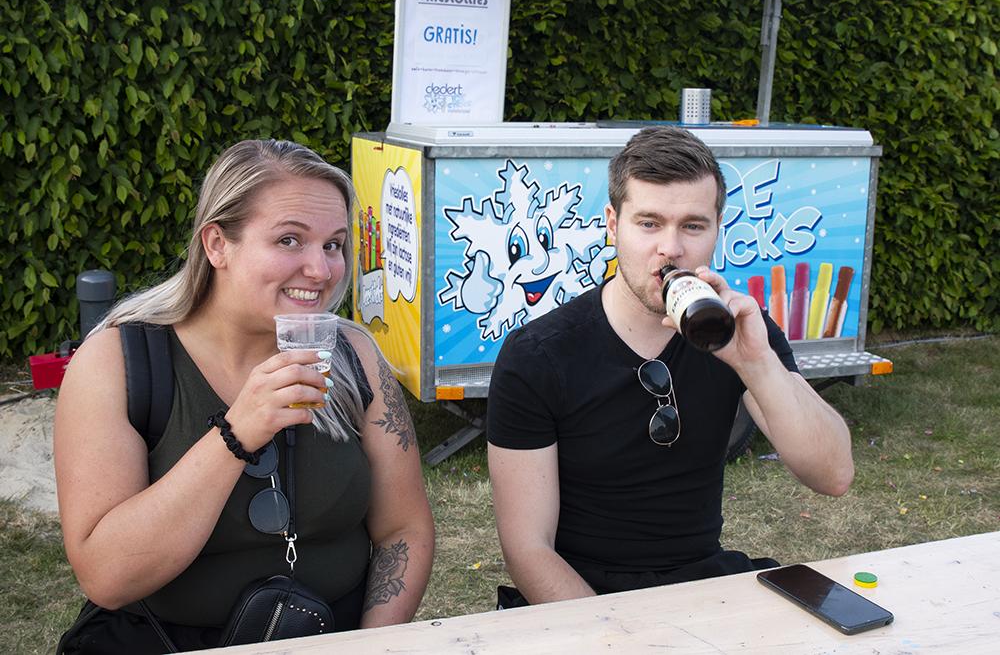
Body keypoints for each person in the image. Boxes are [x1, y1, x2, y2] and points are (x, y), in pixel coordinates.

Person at [54, 139, 434, 651]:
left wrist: (371, 645)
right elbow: (106, 576)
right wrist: (235, 435)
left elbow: (403, 530)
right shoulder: (118, 363)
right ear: (217, 245)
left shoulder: (355, 356)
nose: (321, 270)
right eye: (289, 240)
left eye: (333, 244)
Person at [487, 126, 853, 604]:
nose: (671, 248)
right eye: (649, 224)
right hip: (582, 597)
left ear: (718, 228)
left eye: (693, 226)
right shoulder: (538, 355)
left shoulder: (740, 331)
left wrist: (756, 364)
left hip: (703, 584)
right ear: (612, 224)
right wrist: (617, 634)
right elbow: (527, 550)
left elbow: (833, 475)